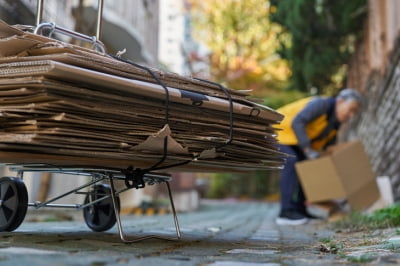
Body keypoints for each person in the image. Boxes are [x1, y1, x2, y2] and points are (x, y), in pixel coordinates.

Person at [275, 88, 363, 225]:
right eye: (351, 109)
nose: (351, 115)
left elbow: (327, 145)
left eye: (354, 113)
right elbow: (297, 122)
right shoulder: (322, 104)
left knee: (308, 167)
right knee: (292, 161)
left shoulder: (335, 122)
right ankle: (285, 213)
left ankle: (299, 210)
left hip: (294, 140)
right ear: (340, 102)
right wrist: (307, 149)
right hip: (278, 132)